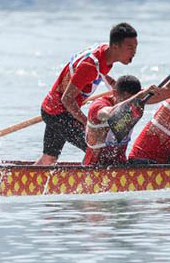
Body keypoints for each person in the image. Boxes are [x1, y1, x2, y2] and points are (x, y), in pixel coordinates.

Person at [36, 23, 138, 166]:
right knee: (97, 147)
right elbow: (67, 99)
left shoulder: (105, 52)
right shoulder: (89, 66)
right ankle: (85, 183)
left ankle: (25, 182)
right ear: (115, 46)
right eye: (130, 48)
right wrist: (87, 124)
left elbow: (101, 74)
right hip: (58, 113)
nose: (134, 52)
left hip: (52, 108)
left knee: (49, 158)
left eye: (136, 47)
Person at [84, 77, 166, 166]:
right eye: (127, 100)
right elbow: (111, 114)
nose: (129, 106)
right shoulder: (98, 106)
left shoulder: (137, 104)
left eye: (132, 100)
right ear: (115, 93)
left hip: (120, 165)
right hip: (94, 166)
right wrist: (137, 96)